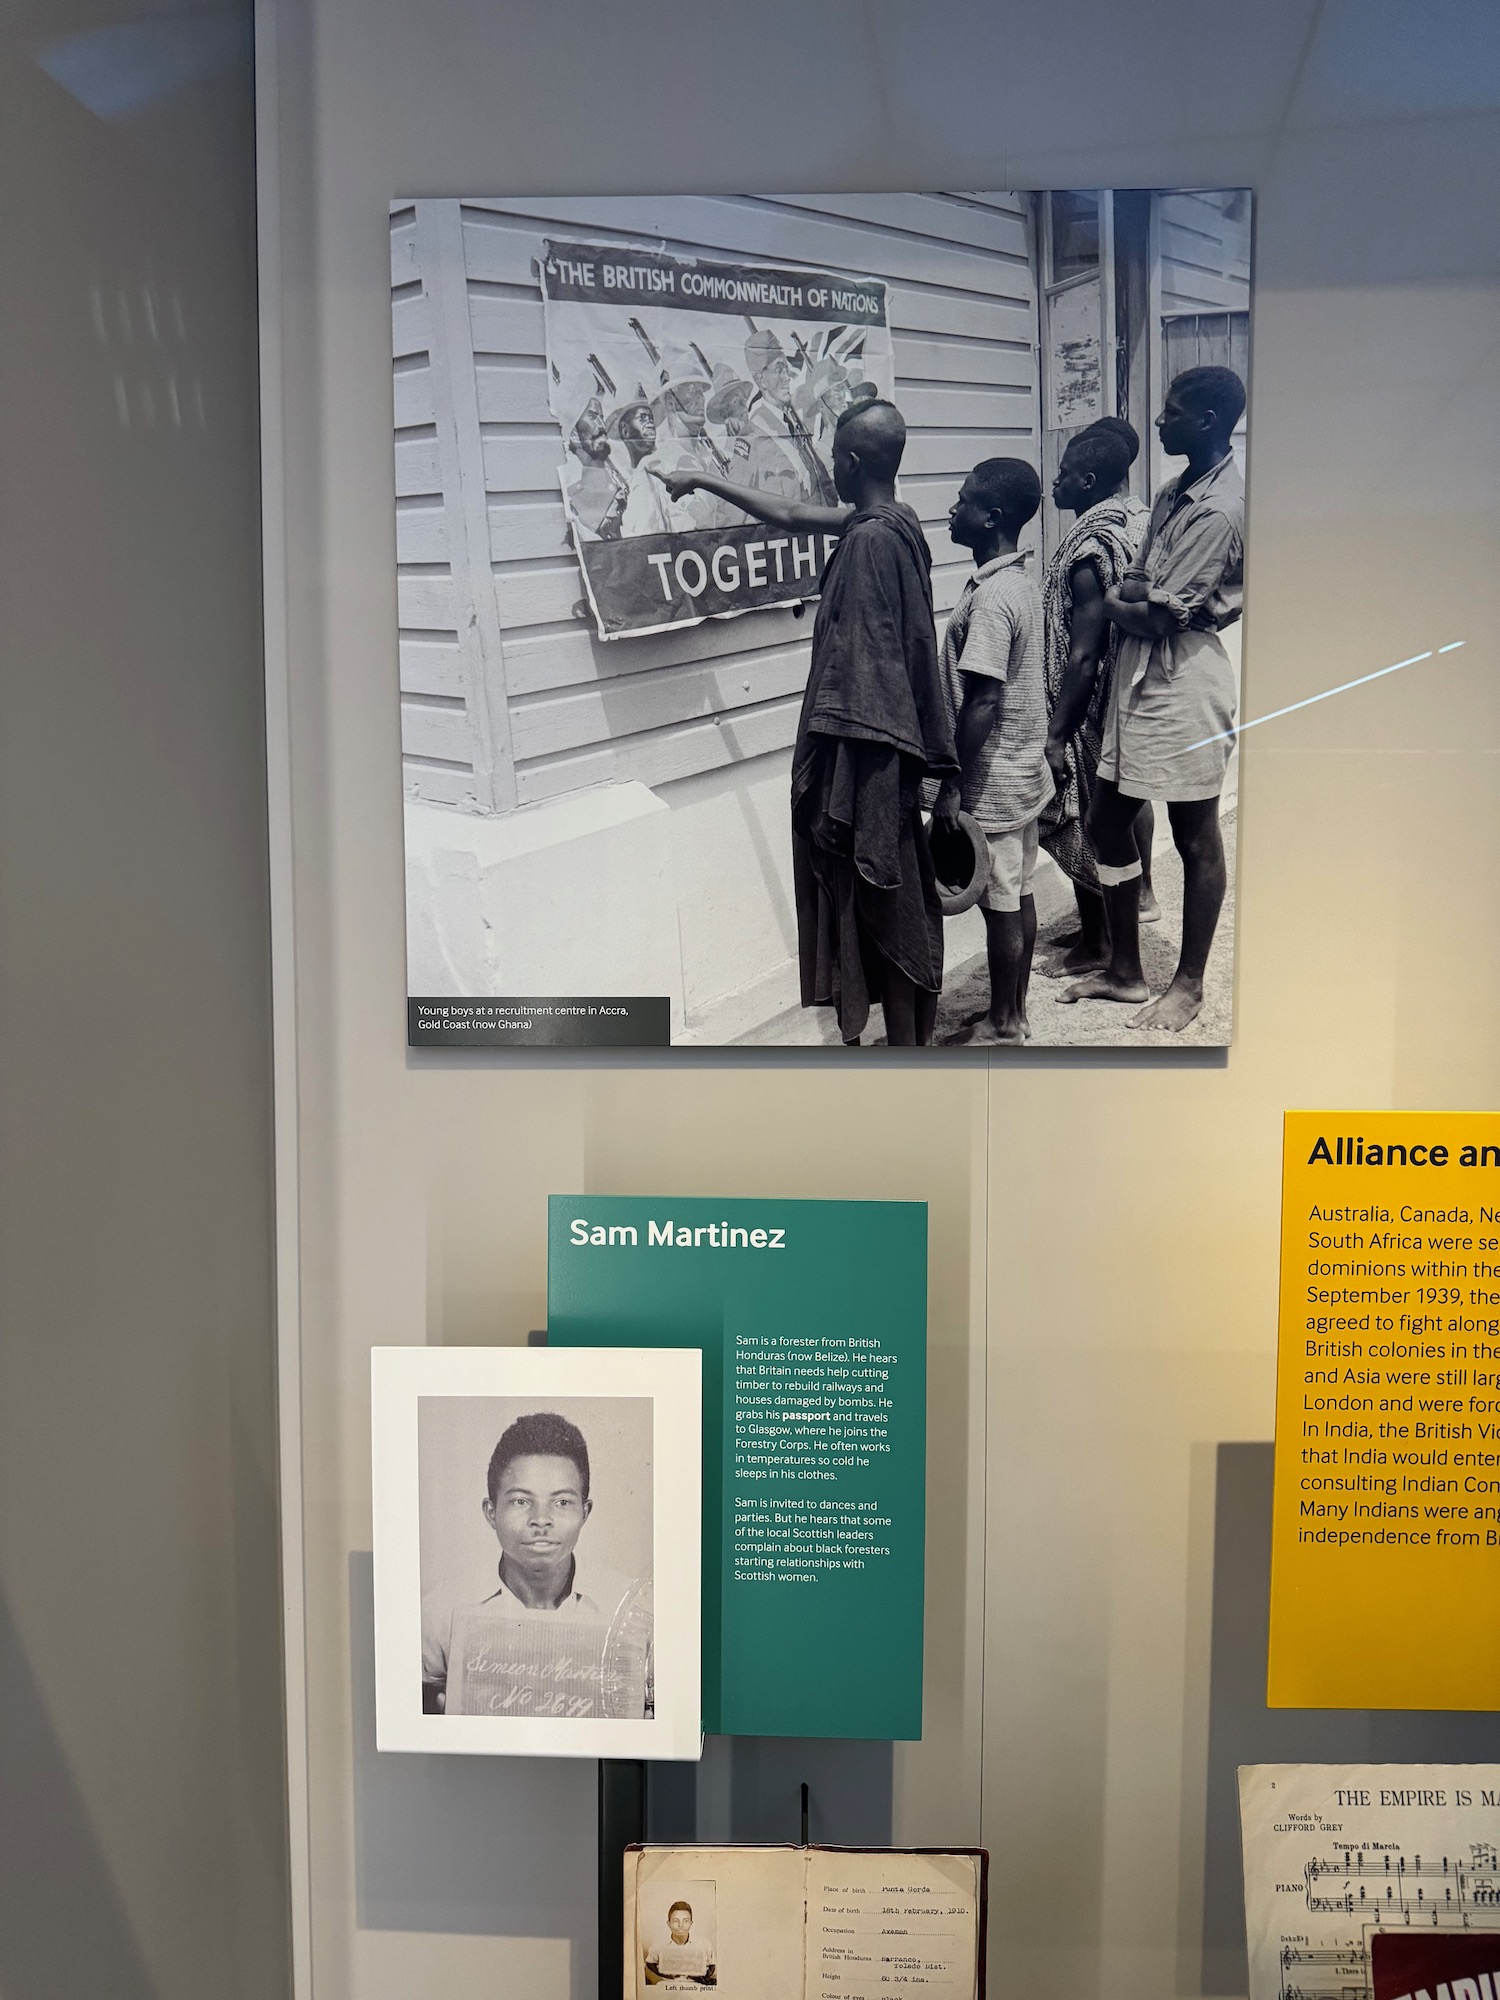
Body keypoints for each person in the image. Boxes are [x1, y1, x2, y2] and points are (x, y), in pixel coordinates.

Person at [654, 400, 957, 1046]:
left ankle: (910, 1060)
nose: (828, 472)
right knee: (889, 899)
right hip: (881, 750)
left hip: (871, 756)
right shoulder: (889, 522)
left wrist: (847, 777)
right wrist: (701, 480)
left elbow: (870, 671)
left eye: (832, 460)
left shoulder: (872, 543)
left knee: (888, 899)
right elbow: (792, 516)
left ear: (848, 464)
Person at [1060, 365, 1246, 1031]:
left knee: (1193, 833)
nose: (1158, 422)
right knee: (1107, 821)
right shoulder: (1170, 494)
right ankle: (1126, 973)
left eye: (1170, 413)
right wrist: (1130, 601)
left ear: (1205, 422)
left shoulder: (1223, 508)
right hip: (1140, 673)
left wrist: (1118, 603)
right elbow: (1140, 586)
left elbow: (1162, 615)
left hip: (1186, 679)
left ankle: (1188, 985)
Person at [931, 459, 1052, 1044]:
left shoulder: (993, 598)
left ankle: (1005, 1021)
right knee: (1018, 892)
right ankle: (1014, 1011)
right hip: (1021, 771)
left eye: (963, 502)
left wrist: (950, 782)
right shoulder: (1020, 582)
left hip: (992, 780)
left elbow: (981, 700)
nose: (953, 510)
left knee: (1000, 904)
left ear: (992, 518)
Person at [420, 1410, 645, 1715]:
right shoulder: (441, 1610)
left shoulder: (635, 1609)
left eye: (562, 1502)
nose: (541, 1520)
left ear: (585, 1512)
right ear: (491, 1512)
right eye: (521, 1501)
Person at [1038, 421, 1154, 969]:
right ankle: (1118, 918)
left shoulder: (1088, 546)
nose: (1053, 485)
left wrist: (1057, 734)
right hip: (1133, 694)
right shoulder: (1141, 519)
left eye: (1062, 476)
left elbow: (1084, 653)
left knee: (1082, 812)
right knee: (1120, 811)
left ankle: (1097, 939)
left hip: (1091, 705)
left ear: (1087, 480)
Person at [742, 328, 839, 506]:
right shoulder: (753, 432)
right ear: (762, 380)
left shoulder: (792, 426)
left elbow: (822, 487)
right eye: (779, 371)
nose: (787, 378)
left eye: (786, 369)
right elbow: (735, 506)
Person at [608, 399, 681, 537]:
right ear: (625, 431)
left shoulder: (670, 464)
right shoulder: (626, 480)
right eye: (642, 418)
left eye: (651, 418)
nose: (650, 423)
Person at [564, 400, 628, 540]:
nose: (602, 425)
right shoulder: (570, 482)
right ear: (574, 434)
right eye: (593, 417)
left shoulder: (615, 473)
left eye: (601, 417)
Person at [644, 1900, 716, 1985]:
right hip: (666, 1987)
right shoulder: (658, 1946)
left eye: (685, 1921)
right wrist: (666, 1976)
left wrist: (700, 1978)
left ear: (691, 1923)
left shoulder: (704, 1945)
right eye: (675, 1921)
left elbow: (712, 1964)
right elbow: (649, 1963)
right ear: (668, 1923)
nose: (680, 1925)